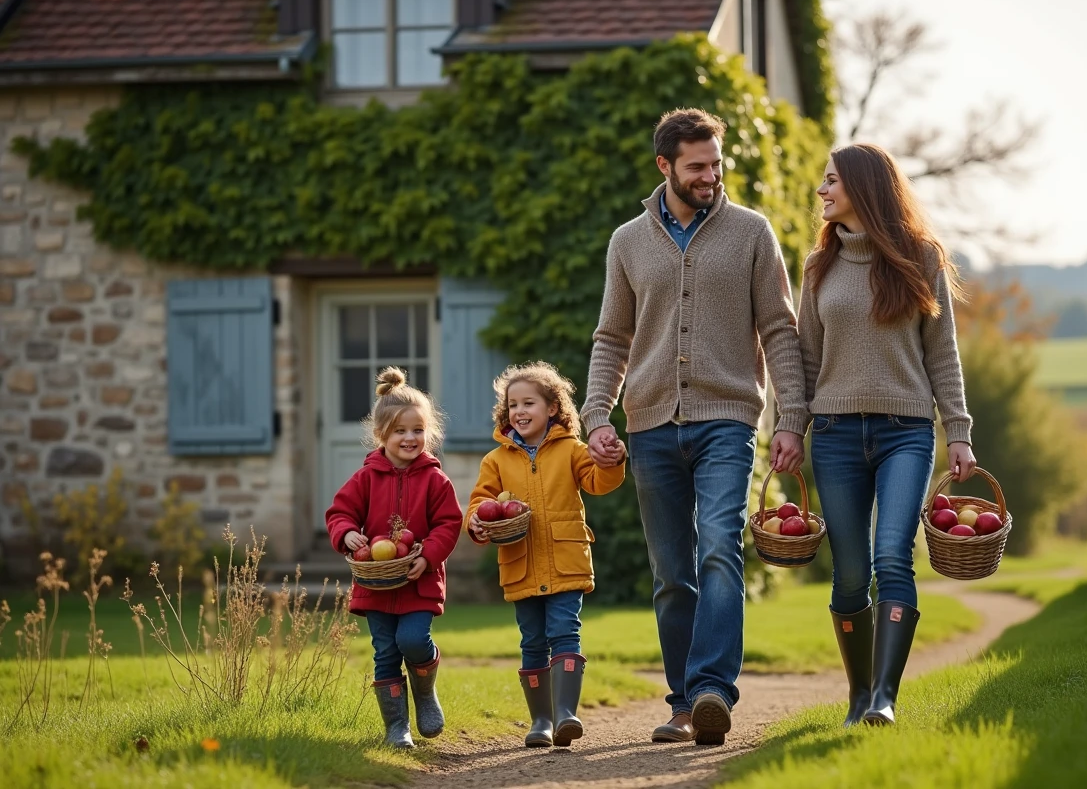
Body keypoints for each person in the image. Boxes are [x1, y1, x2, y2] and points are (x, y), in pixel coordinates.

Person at [581, 108, 807, 746]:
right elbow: (611, 337)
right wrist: (598, 414)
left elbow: (780, 332)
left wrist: (791, 417)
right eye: (697, 167)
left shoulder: (752, 233)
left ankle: (712, 688)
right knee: (671, 571)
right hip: (650, 425)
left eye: (716, 164)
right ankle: (683, 704)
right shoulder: (627, 242)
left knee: (717, 545)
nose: (711, 176)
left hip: (728, 417)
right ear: (665, 167)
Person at [798, 143, 977, 727]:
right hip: (834, 434)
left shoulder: (920, 258)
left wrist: (959, 431)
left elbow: (942, 354)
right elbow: (803, 359)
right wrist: (789, 428)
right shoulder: (817, 267)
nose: (822, 191)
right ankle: (858, 695)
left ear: (864, 187)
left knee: (892, 556)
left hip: (906, 432)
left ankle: (884, 698)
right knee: (850, 572)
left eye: (831, 181)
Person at [465, 361, 625, 748]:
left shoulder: (572, 450)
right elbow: (480, 502)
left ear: (552, 408)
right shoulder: (496, 461)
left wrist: (613, 461)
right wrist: (476, 522)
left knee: (565, 632)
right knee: (532, 640)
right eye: (513, 404)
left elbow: (598, 482)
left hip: (566, 560)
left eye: (529, 403)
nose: (519, 411)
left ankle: (565, 713)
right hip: (520, 563)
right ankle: (541, 720)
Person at [325, 367, 463, 749]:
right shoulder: (364, 479)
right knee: (385, 653)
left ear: (428, 433)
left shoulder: (437, 481)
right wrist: (347, 533)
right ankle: (397, 728)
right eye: (401, 431)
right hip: (375, 583)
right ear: (381, 434)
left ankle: (424, 691)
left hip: (419, 580)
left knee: (415, 641)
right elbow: (339, 513)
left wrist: (430, 556)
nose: (410, 438)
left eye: (418, 430)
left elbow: (450, 523)